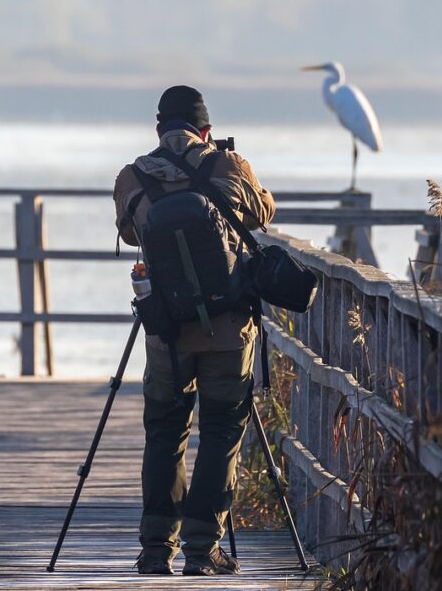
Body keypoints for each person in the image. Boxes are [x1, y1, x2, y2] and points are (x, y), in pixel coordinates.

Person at [113, 85, 276, 576]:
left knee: (164, 429)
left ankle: (155, 549)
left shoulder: (132, 177)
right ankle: (203, 550)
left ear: (159, 130)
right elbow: (263, 212)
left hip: (166, 329)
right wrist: (230, 164)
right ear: (205, 130)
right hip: (228, 326)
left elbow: (128, 233)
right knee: (223, 429)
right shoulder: (229, 167)